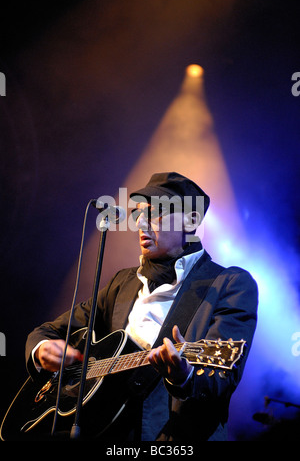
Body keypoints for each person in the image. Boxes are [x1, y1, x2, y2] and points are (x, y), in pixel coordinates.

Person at [25, 172, 258, 441]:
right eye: (138, 214)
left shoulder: (229, 283)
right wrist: (43, 350)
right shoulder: (121, 283)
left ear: (192, 220)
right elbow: (46, 332)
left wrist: (184, 376)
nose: (141, 223)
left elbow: (221, 381)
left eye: (156, 212)